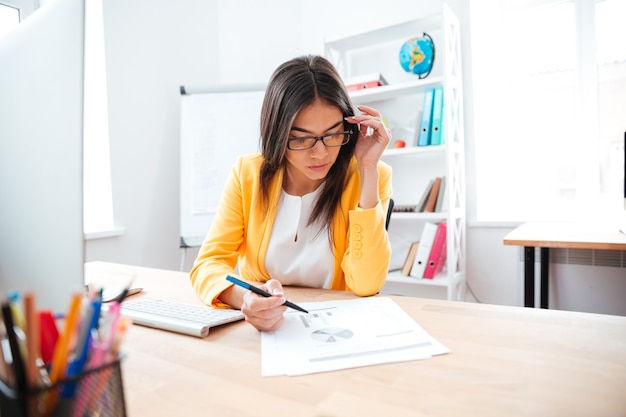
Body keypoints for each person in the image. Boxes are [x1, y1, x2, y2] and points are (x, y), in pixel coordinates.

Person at [190, 55, 392, 331]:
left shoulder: (368, 175)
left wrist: (368, 169)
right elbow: (208, 264)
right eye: (301, 138)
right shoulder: (248, 173)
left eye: (333, 134)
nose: (320, 153)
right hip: (266, 329)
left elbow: (367, 283)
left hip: (338, 328)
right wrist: (246, 298)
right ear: (277, 133)